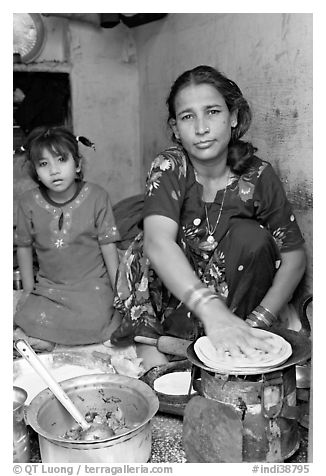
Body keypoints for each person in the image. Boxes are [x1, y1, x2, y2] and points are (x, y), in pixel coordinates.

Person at [110, 65, 306, 370]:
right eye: (188, 117)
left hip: (237, 298)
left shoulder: (258, 176)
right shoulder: (170, 166)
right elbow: (158, 243)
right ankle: (179, 340)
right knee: (158, 375)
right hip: (175, 289)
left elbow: (294, 257)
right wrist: (210, 308)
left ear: (234, 117)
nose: (201, 127)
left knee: (251, 237)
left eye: (212, 112)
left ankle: (231, 335)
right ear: (175, 128)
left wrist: (258, 322)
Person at [14, 126, 120, 351]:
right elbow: (23, 247)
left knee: (100, 317)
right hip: (50, 287)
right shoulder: (27, 202)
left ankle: (56, 337)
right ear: (35, 171)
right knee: (29, 315)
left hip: (92, 285)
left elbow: (108, 246)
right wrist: (27, 290)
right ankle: (50, 334)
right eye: (44, 164)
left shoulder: (97, 196)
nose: (54, 170)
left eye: (61, 160)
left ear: (78, 164)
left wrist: (120, 292)